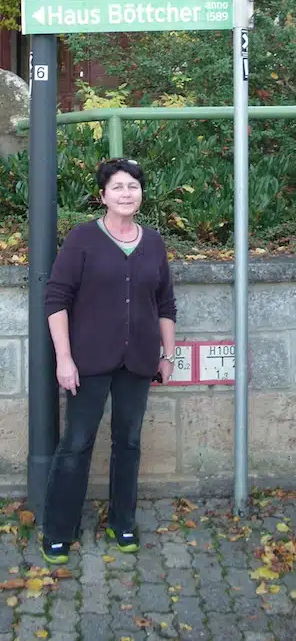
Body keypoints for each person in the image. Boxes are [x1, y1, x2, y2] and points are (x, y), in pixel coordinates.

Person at [41, 158, 177, 565]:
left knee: (129, 443)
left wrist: (167, 354)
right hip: (88, 362)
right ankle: (59, 529)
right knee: (76, 444)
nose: (125, 193)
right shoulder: (82, 239)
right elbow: (56, 300)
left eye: (132, 187)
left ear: (141, 194)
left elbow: (165, 302)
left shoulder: (152, 242)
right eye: (117, 187)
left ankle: (123, 521)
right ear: (102, 195)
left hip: (138, 361)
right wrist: (64, 359)